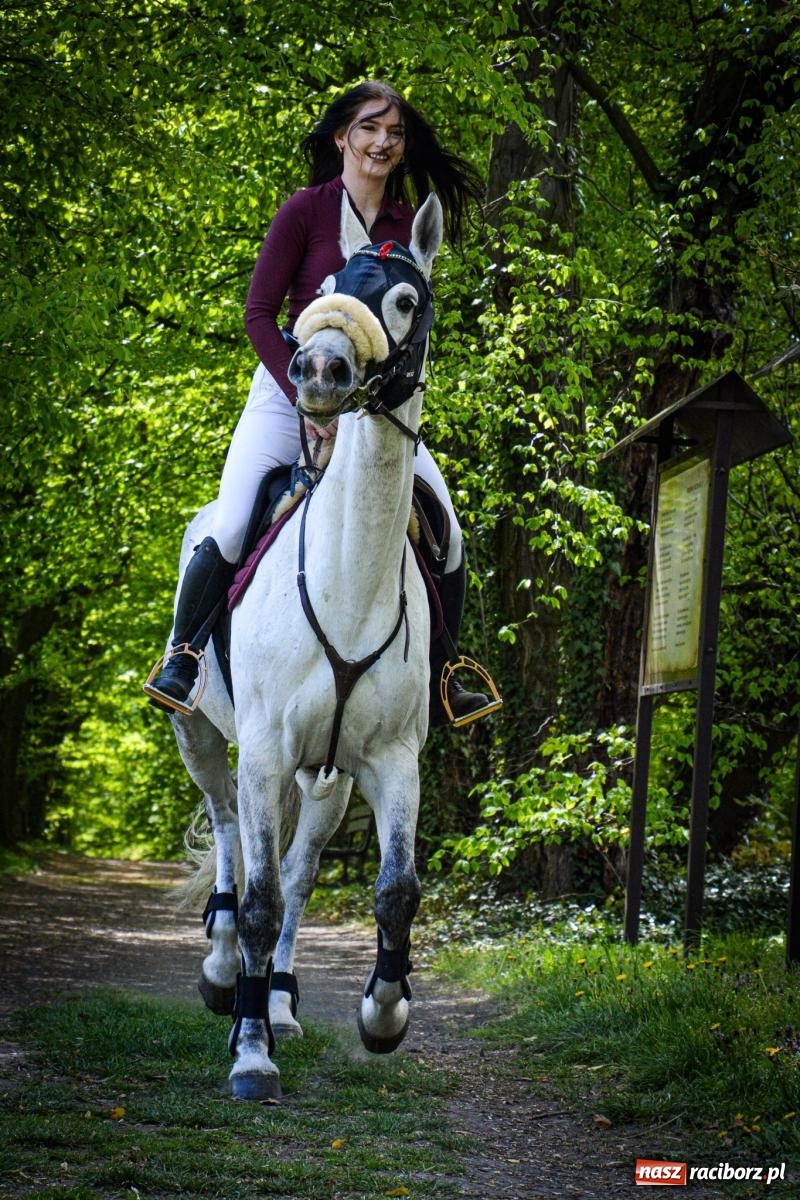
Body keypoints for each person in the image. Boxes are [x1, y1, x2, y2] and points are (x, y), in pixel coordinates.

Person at [144, 81, 499, 727]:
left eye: (394, 133)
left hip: (375, 409)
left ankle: (447, 669)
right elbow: (256, 315)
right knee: (229, 521)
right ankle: (187, 655)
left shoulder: (407, 225)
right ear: (342, 136)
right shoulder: (305, 212)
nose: (382, 142)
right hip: (289, 392)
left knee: (446, 533)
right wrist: (306, 404)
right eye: (369, 128)